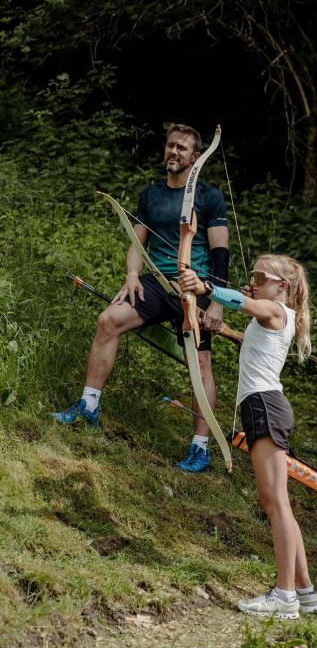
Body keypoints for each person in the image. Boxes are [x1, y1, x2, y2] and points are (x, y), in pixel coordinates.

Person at [51, 123, 230, 473]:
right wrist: (132, 274)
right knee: (108, 321)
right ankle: (89, 406)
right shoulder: (151, 195)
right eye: (170, 146)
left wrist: (218, 301)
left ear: (197, 157)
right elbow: (137, 243)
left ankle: (201, 446)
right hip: (154, 282)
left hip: (194, 292)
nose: (173, 152)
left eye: (182, 148)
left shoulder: (209, 197)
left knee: (200, 365)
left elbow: (221, 252)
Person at [179, 254, 317, 619]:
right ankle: (304, 593)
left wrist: (206, 288)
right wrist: (224, 330)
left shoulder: (275, 311)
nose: (253, 280)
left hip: (264, 407)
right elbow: (253, 337)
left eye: (261, 276)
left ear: (282, 286)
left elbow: (244, 302)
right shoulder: (274, 316)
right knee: (279, 503)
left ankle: (284, 596)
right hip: (264, 407)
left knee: (275, 503)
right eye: (253, 275)